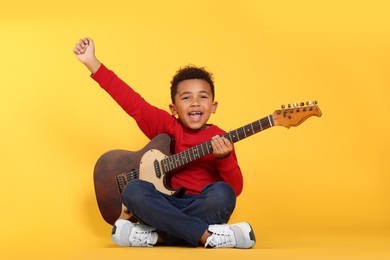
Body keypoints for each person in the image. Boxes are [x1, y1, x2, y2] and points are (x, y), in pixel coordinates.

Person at [73, 37, 256, 249]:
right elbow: (131, 101)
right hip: (163, 204)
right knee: (133, 190)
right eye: (186, 98)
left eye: (203, 97)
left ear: (213, 106)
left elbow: (235, 189)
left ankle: (156, 236)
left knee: (222, 193)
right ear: (173, 108)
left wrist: (224, 159)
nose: (195, 103)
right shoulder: (165, 125)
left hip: (199, 206)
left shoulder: (221, 138)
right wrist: (91, 62)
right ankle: (206, 236)